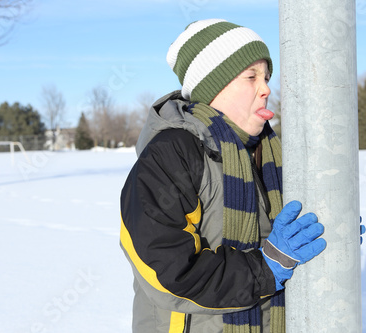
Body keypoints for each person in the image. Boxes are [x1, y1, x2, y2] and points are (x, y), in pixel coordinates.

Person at [120, 19, 327, 333]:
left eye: (268, 77)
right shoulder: (171, 154)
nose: (266, 89)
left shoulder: (272, 153)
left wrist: (330, 234)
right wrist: (268, 267)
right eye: (251, 77)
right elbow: (168, 272)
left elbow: (289, 252)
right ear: (212, 86)